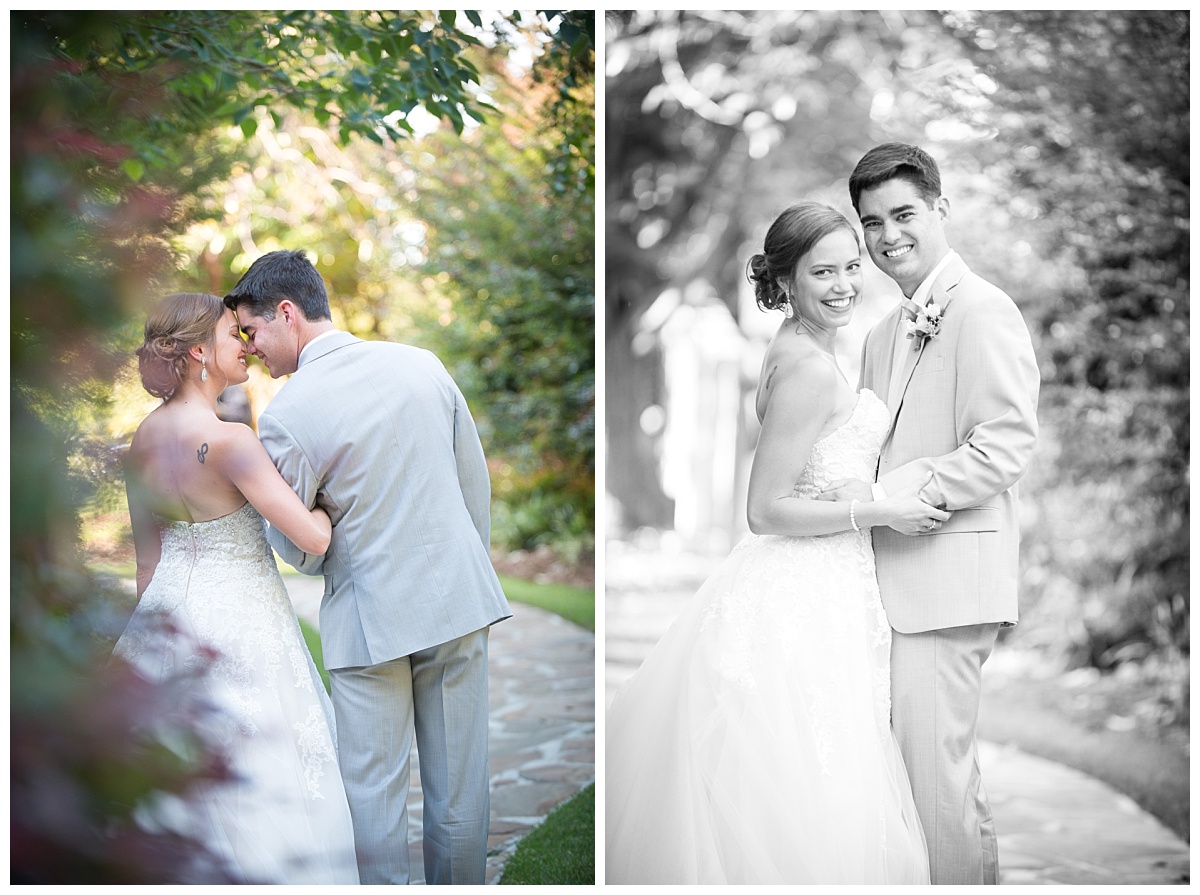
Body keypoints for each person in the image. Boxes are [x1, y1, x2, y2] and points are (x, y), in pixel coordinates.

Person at [605, 202, 950, 884]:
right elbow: (764, 509)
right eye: (823, 272)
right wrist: (879, 508)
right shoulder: (808, 368)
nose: (845, 284)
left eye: (852, 267)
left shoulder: (812, 344)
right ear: (786, 279)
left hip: (828, 582)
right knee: (805, 774)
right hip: (803, 590)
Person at [223, 249, 512, 885]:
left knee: (374, 803)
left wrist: (322, 521)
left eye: (253, 330)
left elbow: (301, 547)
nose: (251, 349)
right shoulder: (422, 365)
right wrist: (464, 569)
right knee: (461, 794)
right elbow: (473, 486)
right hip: (459, 603)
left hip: (370, 621)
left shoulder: (289, 417)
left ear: (289, 314)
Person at [820, 143, 1040, 884]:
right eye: (871, 222)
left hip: (946, 585)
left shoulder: (983, 309)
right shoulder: (884, 333)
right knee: (898, 787)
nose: (887, 236)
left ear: (940, 209)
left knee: (937, 787)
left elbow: (1005, 444)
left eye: (904, 214)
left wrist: (907, 491)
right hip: (881, 586)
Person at [113, 292, 360, 884]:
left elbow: (147, 566)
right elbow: (313, 540)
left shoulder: (142, 441)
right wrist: (329, 505)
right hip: (244, 624)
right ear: (199, 351)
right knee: (263, 765)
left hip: (165, 622)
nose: (246, 344)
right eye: (233, 334)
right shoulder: (230, 443)